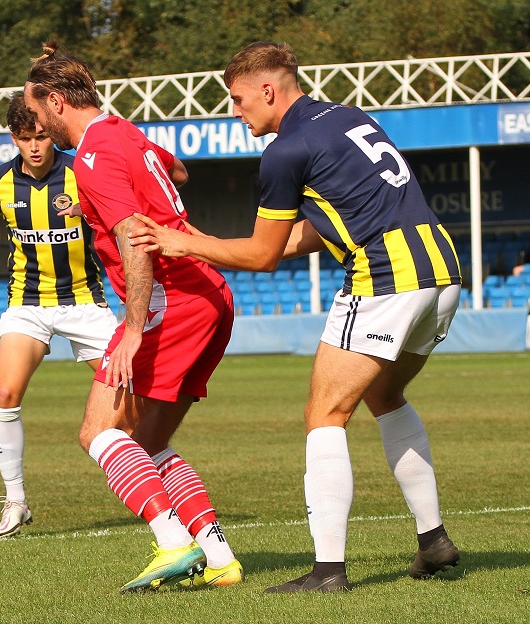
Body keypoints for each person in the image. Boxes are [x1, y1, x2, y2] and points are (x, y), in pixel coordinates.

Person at [128, 41, 463, 593]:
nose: (235, 112)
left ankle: (328, 572)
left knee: (324, 415)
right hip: (442, 270)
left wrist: (181, 244)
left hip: (386, 277)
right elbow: (316, 229)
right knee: (384, 397)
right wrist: (205, 241)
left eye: (238, 100)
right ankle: (433, 540)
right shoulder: (348, 117)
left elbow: (261, 256)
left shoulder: (285, 150)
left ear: (268, 90)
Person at [24, 42, 243, 593]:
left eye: (35, 110)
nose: (35, 123)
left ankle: (173, 542)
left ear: (56, 101)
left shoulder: (93, 156)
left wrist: (131, 327)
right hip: (211, 295)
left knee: (97, 432)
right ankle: (219, 557)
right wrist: (99, 202)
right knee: (145, 443)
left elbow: (134, 241)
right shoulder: (124, 131)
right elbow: (180, 174)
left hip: (171, 299)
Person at [0, 92, 118, 537]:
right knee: (4, 394)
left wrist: (90, 213)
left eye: (40, 136)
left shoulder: (82, 171)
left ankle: (159, 477)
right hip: (27, 303)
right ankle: (15, 500)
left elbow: (118, 218)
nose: (35, 146)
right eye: (24, 138)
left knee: (132, 395)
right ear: (14, 139)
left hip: (84, 301)